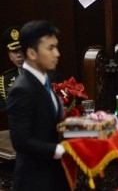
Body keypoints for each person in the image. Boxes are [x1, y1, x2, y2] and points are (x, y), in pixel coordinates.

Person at [6, 20, 68, 190]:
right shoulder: (22, 89)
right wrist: (61, 151)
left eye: (56, 47)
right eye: (50, 48)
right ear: (32, 53)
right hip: (34, 180)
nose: (57, 54)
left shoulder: (44, 81)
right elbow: (21, 140)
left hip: (54, 177)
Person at [0, 26, 25, 107]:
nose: (19, 55)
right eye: (15, 51)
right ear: (10, 56)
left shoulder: (47, 75)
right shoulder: (5, 80)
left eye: (22, 50)